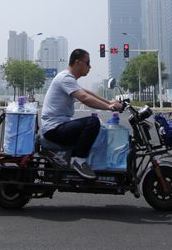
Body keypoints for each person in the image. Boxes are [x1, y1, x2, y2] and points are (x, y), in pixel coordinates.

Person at [41, 48, 124, 179]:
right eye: (87, 63)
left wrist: (109, 102)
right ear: (78, 62)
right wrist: (110, 107)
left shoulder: (69, 79)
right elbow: (84, 98)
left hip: (59, 125)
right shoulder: (65, 78)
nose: (89, 67)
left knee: (99, 126)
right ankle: (79, 161)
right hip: (54, 129)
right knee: (93, 122)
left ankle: (69, 159)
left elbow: (87, 93)